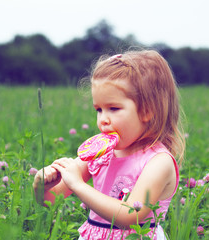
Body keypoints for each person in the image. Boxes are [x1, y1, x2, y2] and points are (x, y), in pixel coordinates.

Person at [33, 50, 185, 240]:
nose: (103, 120)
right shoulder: (101, 152)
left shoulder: (158, 162)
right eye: (99, 109)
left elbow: (131, 215)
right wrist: (42, 186)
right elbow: (52, 201)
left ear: (147, 111)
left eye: (113, 108)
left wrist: (78, 185)